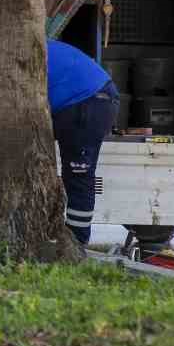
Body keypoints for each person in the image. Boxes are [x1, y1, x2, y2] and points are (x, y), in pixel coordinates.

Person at [47, 39, 119, 244]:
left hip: (87, 102)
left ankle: (77, 242)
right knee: (76, 176)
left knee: (78, 177)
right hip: (93, 97)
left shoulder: (24, 53)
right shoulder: (39, 45)